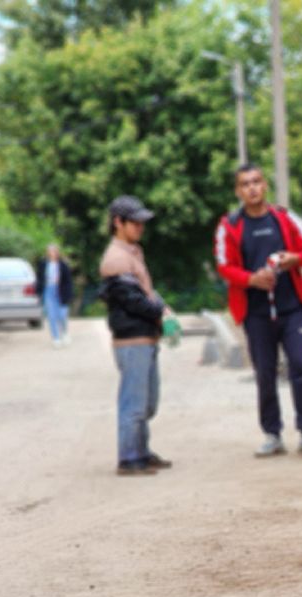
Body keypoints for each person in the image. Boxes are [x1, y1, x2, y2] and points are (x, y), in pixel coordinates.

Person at [213, 163, 302, 458]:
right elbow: (224, 266)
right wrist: (252, 279)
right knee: (265, 373)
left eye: (256, 182)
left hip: (292, 308)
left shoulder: (284, 218)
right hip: (256, 313)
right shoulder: (230, 226)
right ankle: (272, 435)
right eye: (245, 184)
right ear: (238, 191)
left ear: (265, 185)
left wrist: (294, 259)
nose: (252, 188)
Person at [99, 195, 172, 476]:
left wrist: (163, 307)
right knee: (134, 402)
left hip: (145, 337)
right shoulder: (116, 259)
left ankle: (141, 450)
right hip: (132, 339)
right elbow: (134, 301)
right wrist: (159, 311)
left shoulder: (132, 252)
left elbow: (146, 293)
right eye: (135, 222)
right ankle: (129, 458)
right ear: (118, 222)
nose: (140, 227)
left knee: (147, 401)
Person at [35, 244, 74, 347]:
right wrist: (38, 293)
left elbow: (68, 281)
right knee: (51, 316)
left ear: (57, 253)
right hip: (48, 291)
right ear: (47, 253)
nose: (52, 253)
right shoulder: (43, 264)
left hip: (61, 291)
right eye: (50, 251)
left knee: (62, 315)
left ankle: (65, 333)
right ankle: (56, 338)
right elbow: (39, 279)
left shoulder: (63, 265)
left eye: (54, 251)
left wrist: (69, 294)